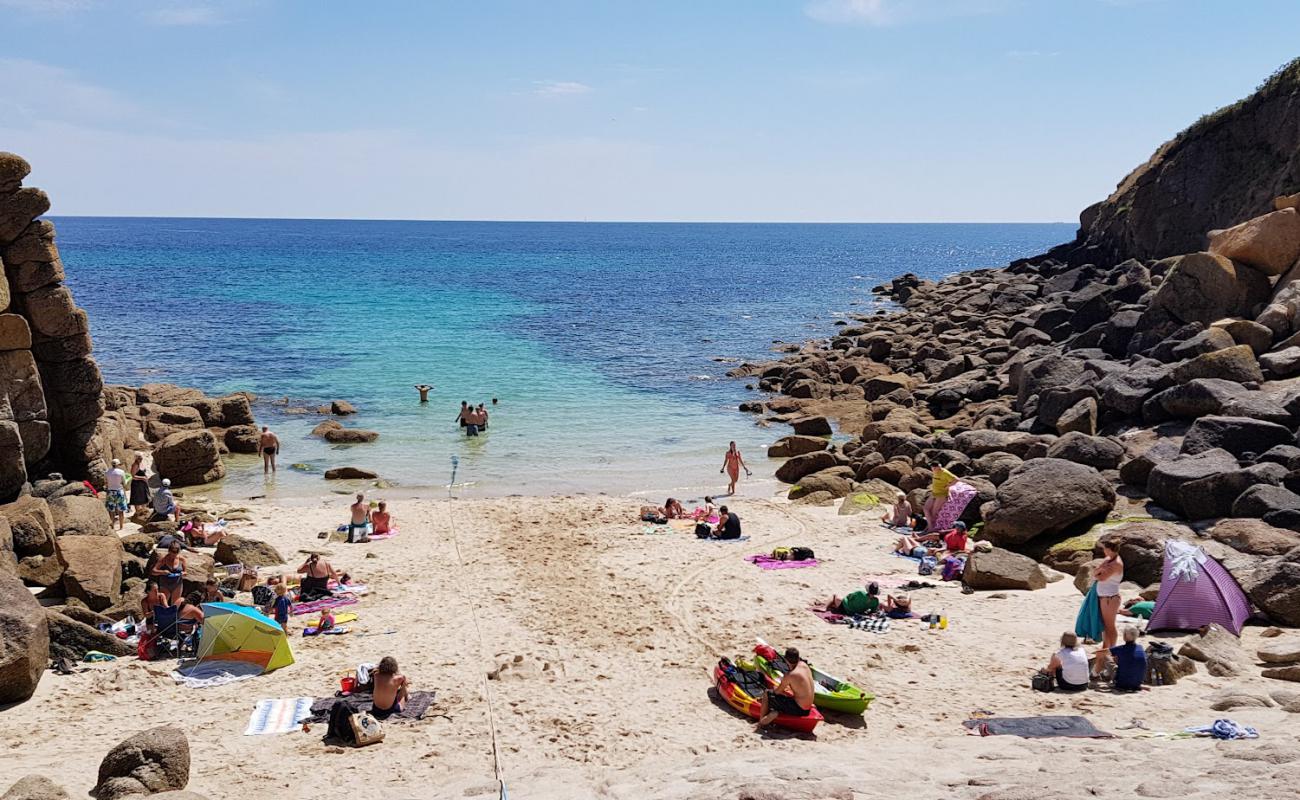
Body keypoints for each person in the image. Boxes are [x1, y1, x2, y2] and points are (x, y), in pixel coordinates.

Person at [756, 647, 814, 727]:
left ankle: (761, 722)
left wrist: (775, 689)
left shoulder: (790, 675)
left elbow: (777, 692)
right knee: (787, 694)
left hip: (799, 709)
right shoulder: (804, 666)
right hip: (808, 707)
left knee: (767, 693)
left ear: (786, 660)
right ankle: (775, 712)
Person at [1092, 541, 1124, 677]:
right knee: (1106, 626)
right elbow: (1095, 572)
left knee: (1110, 626)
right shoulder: (1108, 559)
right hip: (1105, 597)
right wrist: (1098, 573)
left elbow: (1101, 577)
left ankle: (1112, 651)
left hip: (1110, 598)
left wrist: (1098, 573)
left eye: (1105, 549)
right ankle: (1106, 650)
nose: (1104, 551)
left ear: (1110, 549)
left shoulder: (1116, 563)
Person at [923, 463, 959, 530]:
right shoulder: (935, 472)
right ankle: (929, 525)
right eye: (932, 468)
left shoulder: (945, 473)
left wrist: (948, 486)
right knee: (926, 508)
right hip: (934, 493)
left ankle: (930, 528)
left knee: (934, 512)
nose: (932, 469)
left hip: (942, 495)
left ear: (938, 467)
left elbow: (956, 479)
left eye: (934, 468)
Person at [1110, 626, 1146, 691]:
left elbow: (1102, 653)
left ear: (1124, 636)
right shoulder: (1140, 648)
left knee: (1106, 658)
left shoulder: (1120, 649)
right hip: (1137, 684)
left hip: (1121, 684)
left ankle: (1095, 675)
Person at [151, 540, 187, 605]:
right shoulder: (163, 559)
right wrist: (162, 572)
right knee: (163, 604)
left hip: (177, 584)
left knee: (175, 605)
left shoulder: (182, 560)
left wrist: (183, 574)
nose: (173, 556)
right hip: (165, 584)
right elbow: (153, 571)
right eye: (172, 553)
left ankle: (173, 615)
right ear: (169, 551)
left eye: (176, 554)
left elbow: (185, 572)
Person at [103, 458, 128, 531]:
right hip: (119, 491)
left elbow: (106, 483)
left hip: (110, 492)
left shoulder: (107, 472)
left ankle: (112, 526)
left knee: (111, 510)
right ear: (118, 465)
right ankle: (121, 526)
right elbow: (124, 482)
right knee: (121, 510)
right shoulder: (121, 472)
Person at [128, 453, 151, 517]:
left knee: (143, 499)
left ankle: (142, 513)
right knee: (137, 500)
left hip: (141, 484)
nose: (141, 459)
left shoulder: (139, 464)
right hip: (137, 485)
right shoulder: (135, 465)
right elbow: (132, 476)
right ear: (136, 458)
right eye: (139, 458)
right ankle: (138, 514)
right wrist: (142, 478)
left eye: (141, 458)